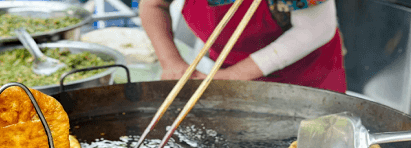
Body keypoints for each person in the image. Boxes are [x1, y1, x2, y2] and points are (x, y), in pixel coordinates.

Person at [139, 0, 347, 93]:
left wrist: (229, 77)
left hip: (305, 81)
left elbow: (315, 30)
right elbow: (154, 5)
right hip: (226, 72)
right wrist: (171, 63)